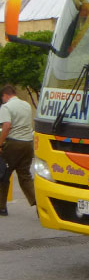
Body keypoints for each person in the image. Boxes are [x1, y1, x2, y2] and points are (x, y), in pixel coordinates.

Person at [0, 85, 36, 216]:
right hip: (27, 144)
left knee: (3, 175)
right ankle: (38, 203)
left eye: (2, 98)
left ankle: (1, 207)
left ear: (5, 95)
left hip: (13, 144)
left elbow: (6, 126)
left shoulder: (6, 107)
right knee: (25, 176)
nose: (2, 100)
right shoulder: (26, 105)